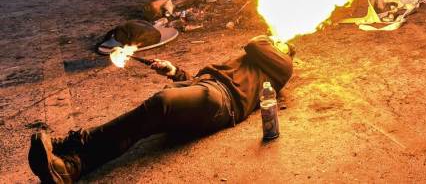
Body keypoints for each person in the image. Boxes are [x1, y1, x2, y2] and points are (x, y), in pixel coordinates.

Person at [28, 35, 295, 184]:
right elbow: (202, 81)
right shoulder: (253, 60)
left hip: (222, 102)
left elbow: (254, 43)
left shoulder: (282, 66)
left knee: (160, 104)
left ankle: (74, 153)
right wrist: (175, 71)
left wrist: (273, 40)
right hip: (206, 91)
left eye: (279, 41)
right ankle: (70, 162)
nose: (274, 38)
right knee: (146, 120)